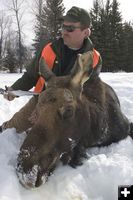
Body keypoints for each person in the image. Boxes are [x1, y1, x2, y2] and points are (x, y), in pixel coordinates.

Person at [0, 6, 102, 133]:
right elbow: (31, 76)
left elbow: (89, 93)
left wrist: (48, 111)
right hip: (41, 99)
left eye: (70, 28)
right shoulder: (48, 48)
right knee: (12, 128)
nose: (64, 31)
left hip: (71, 109)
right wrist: (14, 90)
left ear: (86, 32)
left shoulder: (94, 59)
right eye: (63, 27)